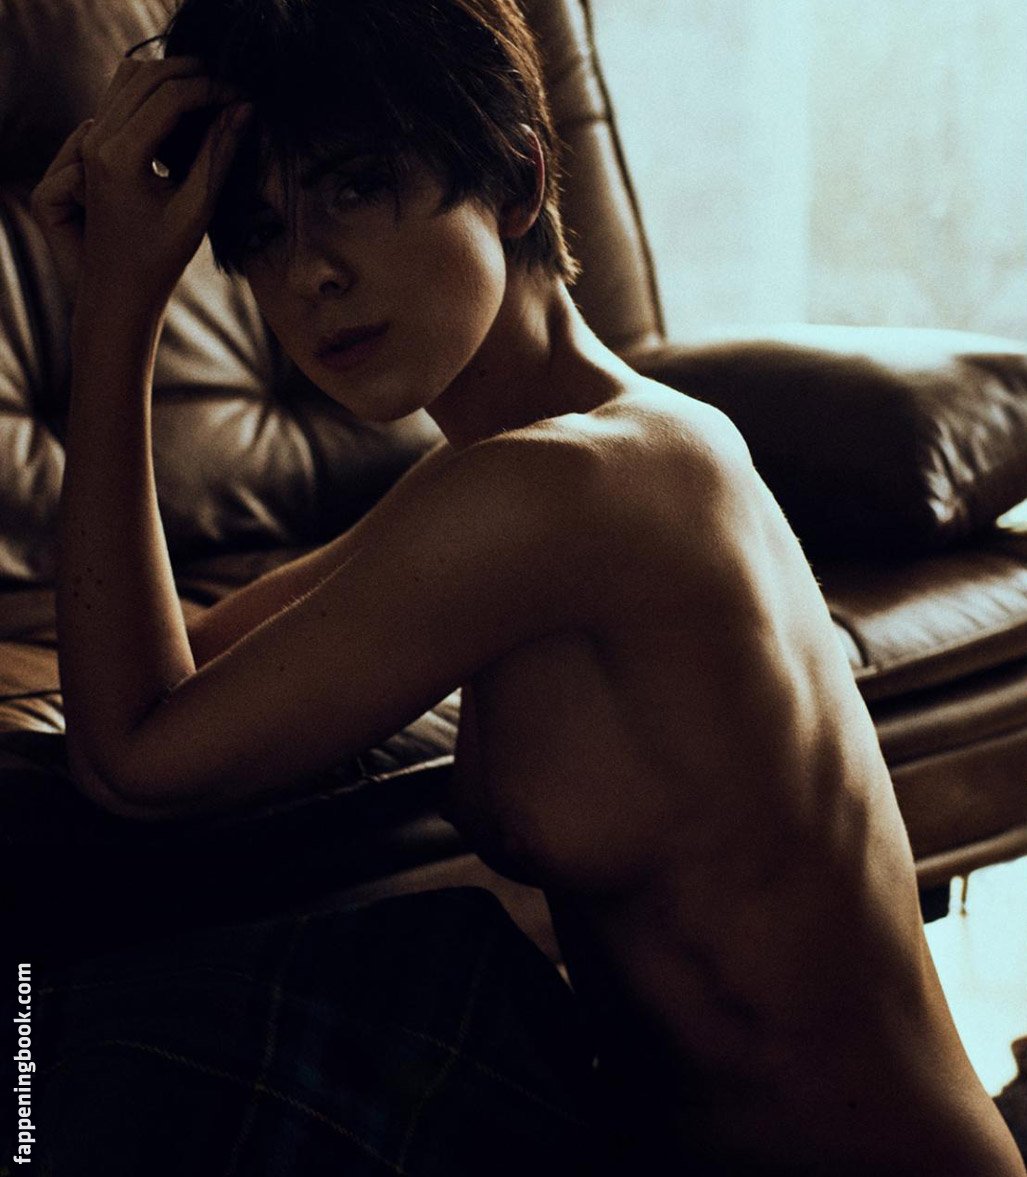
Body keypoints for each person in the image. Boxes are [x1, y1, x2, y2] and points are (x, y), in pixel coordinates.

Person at [29, 0, 1025, 1172]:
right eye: (257, 232)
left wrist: (117, 310)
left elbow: (135, 757)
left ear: (515, 179)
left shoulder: (571, 488)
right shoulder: (550, 462)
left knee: (105, 1036)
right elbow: (187, 668)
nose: (308, 274)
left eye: (354, 186)